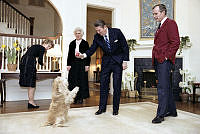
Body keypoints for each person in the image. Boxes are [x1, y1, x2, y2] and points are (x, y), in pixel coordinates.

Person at [77, 20, 129, 115]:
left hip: (118, 62)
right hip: (106, 62)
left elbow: (125, 46)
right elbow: (92, 48)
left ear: (105, 27)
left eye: (99, 30)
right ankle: (102, 108)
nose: (98, 32)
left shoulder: (116, 32)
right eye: (96, 30)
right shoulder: (97, 37)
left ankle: (115, 109)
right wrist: (83, 55)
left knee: (116, 86)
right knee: (103, 85)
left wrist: (125, 61)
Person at [152, 4, 180, 123]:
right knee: (166, 86)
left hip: (164, 61)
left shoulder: (171, 23)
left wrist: (166, 57)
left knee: (162, 88)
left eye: (156, 13)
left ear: (163, 12)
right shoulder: (160, 25)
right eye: (153, 14)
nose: (154, 16)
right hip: (158, 60)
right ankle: (172, 111)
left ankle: (161, 114)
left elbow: (176, 42)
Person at [19, 39, 54, 109]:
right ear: (44, 43)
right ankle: (31, 102)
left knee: (30, 84)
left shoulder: (36, 46)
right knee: (32, 84)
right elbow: (40, 60)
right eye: (48, 46)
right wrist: (44, 64)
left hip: (24, 61)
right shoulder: (42, 48)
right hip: (29, 63)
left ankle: (30, 102)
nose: (48, 48)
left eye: (49, 48)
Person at [67, 27, 91, 104]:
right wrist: (68, 64)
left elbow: (88, 55)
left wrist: (87, 65)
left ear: (82, 34)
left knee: (81, 81)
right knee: (73, 81)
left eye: (79, 33)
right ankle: (74, 97)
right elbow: (69, 55)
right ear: (75, 34)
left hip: (82, 63)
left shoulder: (85, 43)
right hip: (73, 63)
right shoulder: (72, 43)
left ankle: (80, 97)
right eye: (76, 33)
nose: (78, 35)